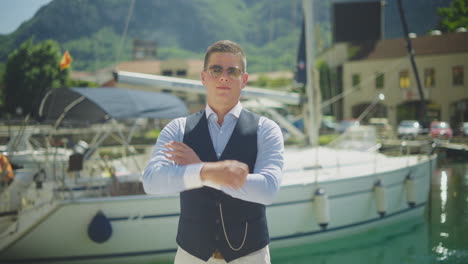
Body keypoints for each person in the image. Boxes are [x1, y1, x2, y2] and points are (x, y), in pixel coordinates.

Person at [142, 40, 284, 264]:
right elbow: (151, 182)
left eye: (233, 71)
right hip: (191, 257)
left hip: (250, 257)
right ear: (203, 77)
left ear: (244, 80)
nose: (223, 77)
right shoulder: (178, 128)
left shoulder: (265, 129)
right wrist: (207, 171)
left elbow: (268, 190)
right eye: (216, 69)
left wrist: (201, 171)